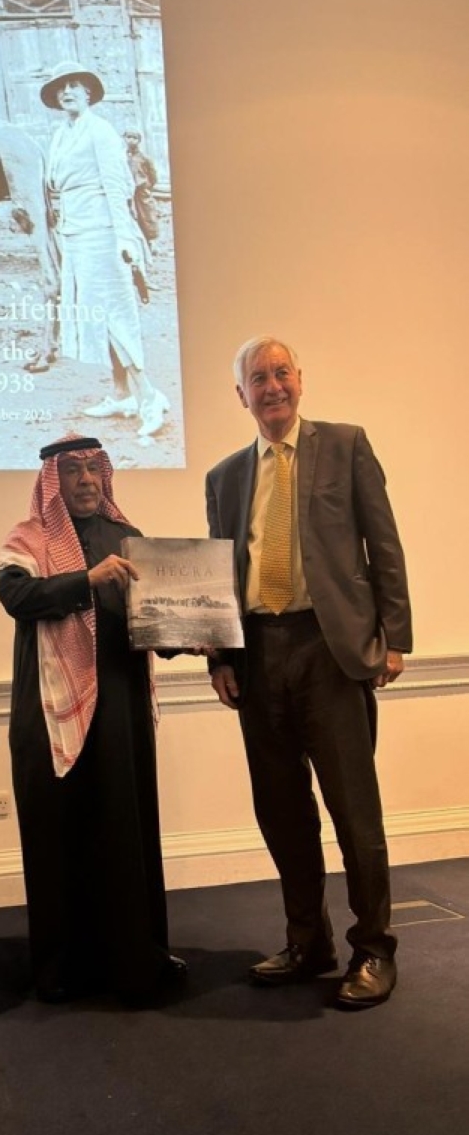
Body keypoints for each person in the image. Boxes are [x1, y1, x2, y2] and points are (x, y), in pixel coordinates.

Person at [204, 336, 413, 1010]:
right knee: (281, 812)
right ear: (241, 395)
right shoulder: (224, 477)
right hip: (258, 654)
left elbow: (383, 543)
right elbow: (220, 576)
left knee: (353, 810)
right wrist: (219, 656)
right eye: (257, 378)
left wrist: (395, 638)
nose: (272, 387)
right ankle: (307, 942)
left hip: (329, 649)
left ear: (300, 380)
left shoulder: (346, 446)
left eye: (281, 373)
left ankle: (374, 948)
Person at [0, 433, 187, 1003]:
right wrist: (88, 580)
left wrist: (192, 637)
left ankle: (135, 956)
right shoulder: (28, 539)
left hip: (121, 708)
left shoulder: (128, 538)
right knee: (60, 831)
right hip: (51, 713)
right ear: (52, 481)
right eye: (72, 470)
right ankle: (63, 968)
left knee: (125, 826)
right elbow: (17, 598)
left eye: (92, 469)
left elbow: (152, 617)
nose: (85, 480)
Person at [39, 60, 169, 438]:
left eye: (75, 86)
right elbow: (55, 183)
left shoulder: (101, 131)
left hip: (103, 232)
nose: (68, 92)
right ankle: (122, 394)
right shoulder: (61, 134)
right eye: (62, 87)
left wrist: (126, 238)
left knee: (115, 316)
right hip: (75, 232)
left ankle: (149, 398)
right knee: (97, 314)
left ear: (88, 93)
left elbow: (117, 187)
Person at [123, 127, 160, 256]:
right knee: (131, 216)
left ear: (139, 140)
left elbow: (153, 175)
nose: (131, 140)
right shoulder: (122, 157)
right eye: (129, 137)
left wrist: (147, 186)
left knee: (147, 215)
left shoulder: (144, 158)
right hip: (128, 191)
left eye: (134, 138)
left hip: (141, 191)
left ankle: (152, 242)